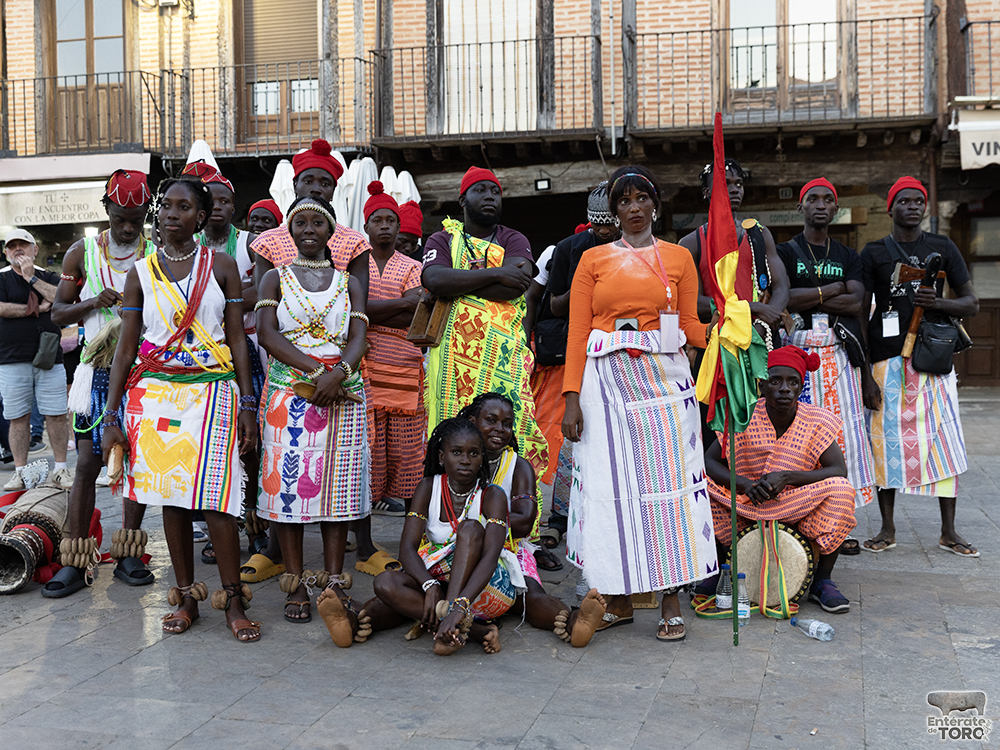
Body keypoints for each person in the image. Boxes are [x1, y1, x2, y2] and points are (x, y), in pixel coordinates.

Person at [101, 176, 260, 642]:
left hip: (214, 393)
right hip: (157, 399)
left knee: (217, 500)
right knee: (171, 497)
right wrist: (111, 418)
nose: (172, 213)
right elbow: (125, 351)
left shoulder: (222, 265)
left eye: (184, 206)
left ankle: (233, 600)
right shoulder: (141, 273)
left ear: (201, 214)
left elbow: (237, 339)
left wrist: (248, 402)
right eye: (166, 205)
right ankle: (187, 595)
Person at [562, 165, 716, 642]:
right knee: (612, 491)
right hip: (604, 384)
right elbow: (578, 332)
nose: (633, 208)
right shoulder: (593, 261)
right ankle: (618, 597)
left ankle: (670, 599)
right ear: (614, 210)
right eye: (623, 201)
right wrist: (571, 397)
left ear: (655, 206)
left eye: (640, 199)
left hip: (664, 384)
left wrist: (725, 331)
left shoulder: (678, 259)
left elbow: (689, 325)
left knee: (665, 489)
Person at [255, 195, 371, 624]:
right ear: (289, 230)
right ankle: (297, 582)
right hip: (291, 394)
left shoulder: (350, 282)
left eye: (317, 224)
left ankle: (334, 581)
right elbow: (267, 335)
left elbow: (360, 337)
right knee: (291, 493)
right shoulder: (274, 278)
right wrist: (318, 372)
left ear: (331, 233)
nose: (308, 230)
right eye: (299, 223)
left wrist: (337, 373)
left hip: (343, 395)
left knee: (336, 491)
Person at [45, 170, 156, 597]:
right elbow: (56, 315)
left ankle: (129, 552)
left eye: (136, 218)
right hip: (94, 373)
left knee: (137, 463)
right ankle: (74, 560)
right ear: (105, 209)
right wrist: (93, 301)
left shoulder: (157, 253)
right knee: (89, 463)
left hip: (143, 372)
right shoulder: (81, 253)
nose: (129, 227)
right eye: (120, 217)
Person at [315, 418, 511, 655]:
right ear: (441, 456)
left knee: (469, 529)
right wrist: (428, 585)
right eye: (457, 452)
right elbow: (407, 548)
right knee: (386, 583)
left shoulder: (492, 495)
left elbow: (490, 557)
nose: (466, 460)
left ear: (482, 459)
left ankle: (452, 621)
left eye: (474, 453)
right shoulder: (428, 487)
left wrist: (457, 607)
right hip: (438, 582)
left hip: (482, 587)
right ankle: (474, 632)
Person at [860, 177, 979, 557]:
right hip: (887, 362)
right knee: (885, 445)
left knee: (942, 443)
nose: (913, 206)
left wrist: (938, 303)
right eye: (905, 201)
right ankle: (887, 527)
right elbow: (862, 312)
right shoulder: (875, 251)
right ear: (891, 208)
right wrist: (865, 373)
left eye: (919, 201)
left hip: (932, 363)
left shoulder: (942, 247)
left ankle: (949, 530)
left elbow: (971, 303)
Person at [705, 345, 858, 613]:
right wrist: (744, 484)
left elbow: (838, 470)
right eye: (775, 381)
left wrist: (787, 477)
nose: (784, 388)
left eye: (792, 382)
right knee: (701, 489)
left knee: (841, 490)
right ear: (762, 385)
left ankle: (823, 581)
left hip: (795, 506)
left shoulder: (817, 420)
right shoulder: (744, 414)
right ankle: (721, 571)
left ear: (801, 388)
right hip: (745, 503)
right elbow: (708, 462)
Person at [421, 166, 548, 482]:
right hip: (454, 360)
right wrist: (495, 272)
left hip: (504, 357)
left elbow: (515, 286)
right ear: (462, 199)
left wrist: (458, 281)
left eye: (495, 191)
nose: (490, 196)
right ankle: (449, 512)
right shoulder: (443, 237)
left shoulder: (512, 238)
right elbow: (434, 278)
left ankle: (504, 509)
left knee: (505, 428)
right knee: (452, 431)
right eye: (481, 190)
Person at [775, 178, 876, 554]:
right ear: (801, 207)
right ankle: (799, 518)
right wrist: (834, 290)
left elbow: (857, 305)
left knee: (842, 437)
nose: (820, 205)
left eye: (828, 200)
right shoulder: (786, 251)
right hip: (796, 358)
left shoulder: (848, 255)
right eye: (812, 199)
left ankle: (839, 523)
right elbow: (784, 300)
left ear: (836, 210)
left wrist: (812, 298)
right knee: (801, 439)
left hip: (838, 355)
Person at [460, 392, 607, 646]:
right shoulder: (457, 456)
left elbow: (525, 521)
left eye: (507, 424)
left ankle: (573, 621)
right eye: (491, 421)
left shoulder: (518, 466)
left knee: (529, 593)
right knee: (421, 586)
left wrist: (476, 529)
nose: (500, 429)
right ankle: (369, 616)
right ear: (472, 421)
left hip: (509, 548)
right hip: (459, 547)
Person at [182, 161, 267, 566]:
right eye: (211, 201)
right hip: (196, 354)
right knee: (211, 444)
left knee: (250, 442)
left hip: (244, 348)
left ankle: (254, 519)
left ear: (234, 208)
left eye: (226, 201)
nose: (218, 207)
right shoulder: (183, 249)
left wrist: (220, 296)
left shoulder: (250, 243)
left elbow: (269, 288)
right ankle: (224, 523)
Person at [537, 183, 620, 550]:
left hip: (619, 356)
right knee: (569, 439)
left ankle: (605, 519)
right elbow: (554, 305)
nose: (603, 232)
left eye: (609, 225)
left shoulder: (634, 250)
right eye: (597, 224)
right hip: (578, 353)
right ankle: (558, 519)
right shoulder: (571, 249)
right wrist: (589, 282)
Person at [353, 182, 425, 578]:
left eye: (390, 221)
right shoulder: (355, 263)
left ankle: (412, 530)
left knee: (407, 450)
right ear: (366, 225)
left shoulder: (411, 266)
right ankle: (360, 527)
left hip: (404, 368)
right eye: (377, 220)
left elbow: (416, 314)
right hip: (366, 371)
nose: (384, 227)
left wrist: (367, 310)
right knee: (368, 450)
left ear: (399, 228)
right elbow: (351, 307)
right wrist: (393, 306)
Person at [678, 159, 790, 339]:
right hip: (717, 338)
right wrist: (751, 307)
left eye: (739, 183)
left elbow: (781, 286)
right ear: (707, 192)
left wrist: (762, 324)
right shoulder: (691, 243)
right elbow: (694, 302)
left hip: (761, 337)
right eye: (726, 184)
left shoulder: (760, 234)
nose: (735, 189)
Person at [0, 228, 73, 492]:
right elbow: (1, 308)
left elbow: (61, 299)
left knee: (56, 415)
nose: (17, 250)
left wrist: (32, 279)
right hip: (11, 358)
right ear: (6, 252)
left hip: (50, 357)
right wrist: (36, 310)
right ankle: (20, 472)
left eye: (23, 245)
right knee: (18, 417)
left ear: (35, 250)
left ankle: (61, 469)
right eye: (12, 247)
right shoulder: (2, 278)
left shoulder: (48, 276)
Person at [252, 139, 369, 304]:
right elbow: (264, 303)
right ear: (295, 186)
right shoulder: (267, 242)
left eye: (325, 183)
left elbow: (357, 304)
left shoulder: (355, 243)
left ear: (333, 192)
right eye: (308, 181)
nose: (316, 188)